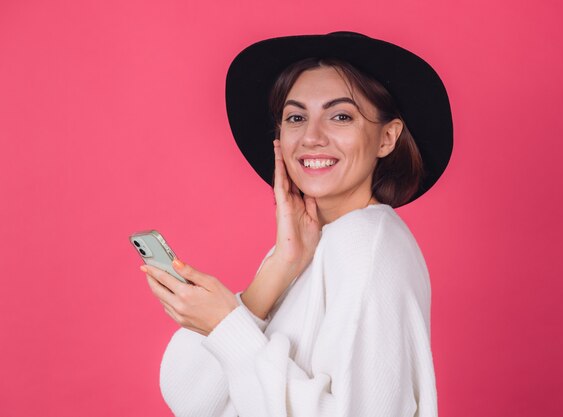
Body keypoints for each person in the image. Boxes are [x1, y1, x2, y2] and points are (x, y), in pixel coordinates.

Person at [141, 31, 453, 417]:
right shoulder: (309, 246)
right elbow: (191, 399)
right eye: (296, 117)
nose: (312, 136)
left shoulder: (369, 243)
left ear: (387, 137)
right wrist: (278, 269)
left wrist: (226, 325)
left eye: (340, 116)